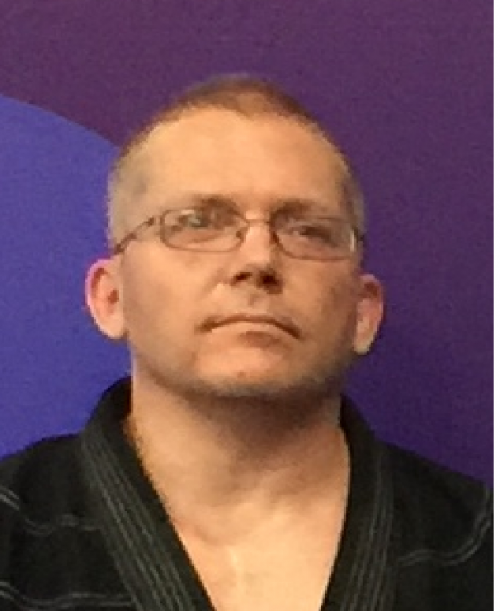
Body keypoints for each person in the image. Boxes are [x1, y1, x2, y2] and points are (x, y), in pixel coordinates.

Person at [0, 75, 491, 611]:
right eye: (196, 222)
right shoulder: (12, 534)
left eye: (307, 230)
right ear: (111, 297)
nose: (257, 260)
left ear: (363, 312)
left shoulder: (478, 548)